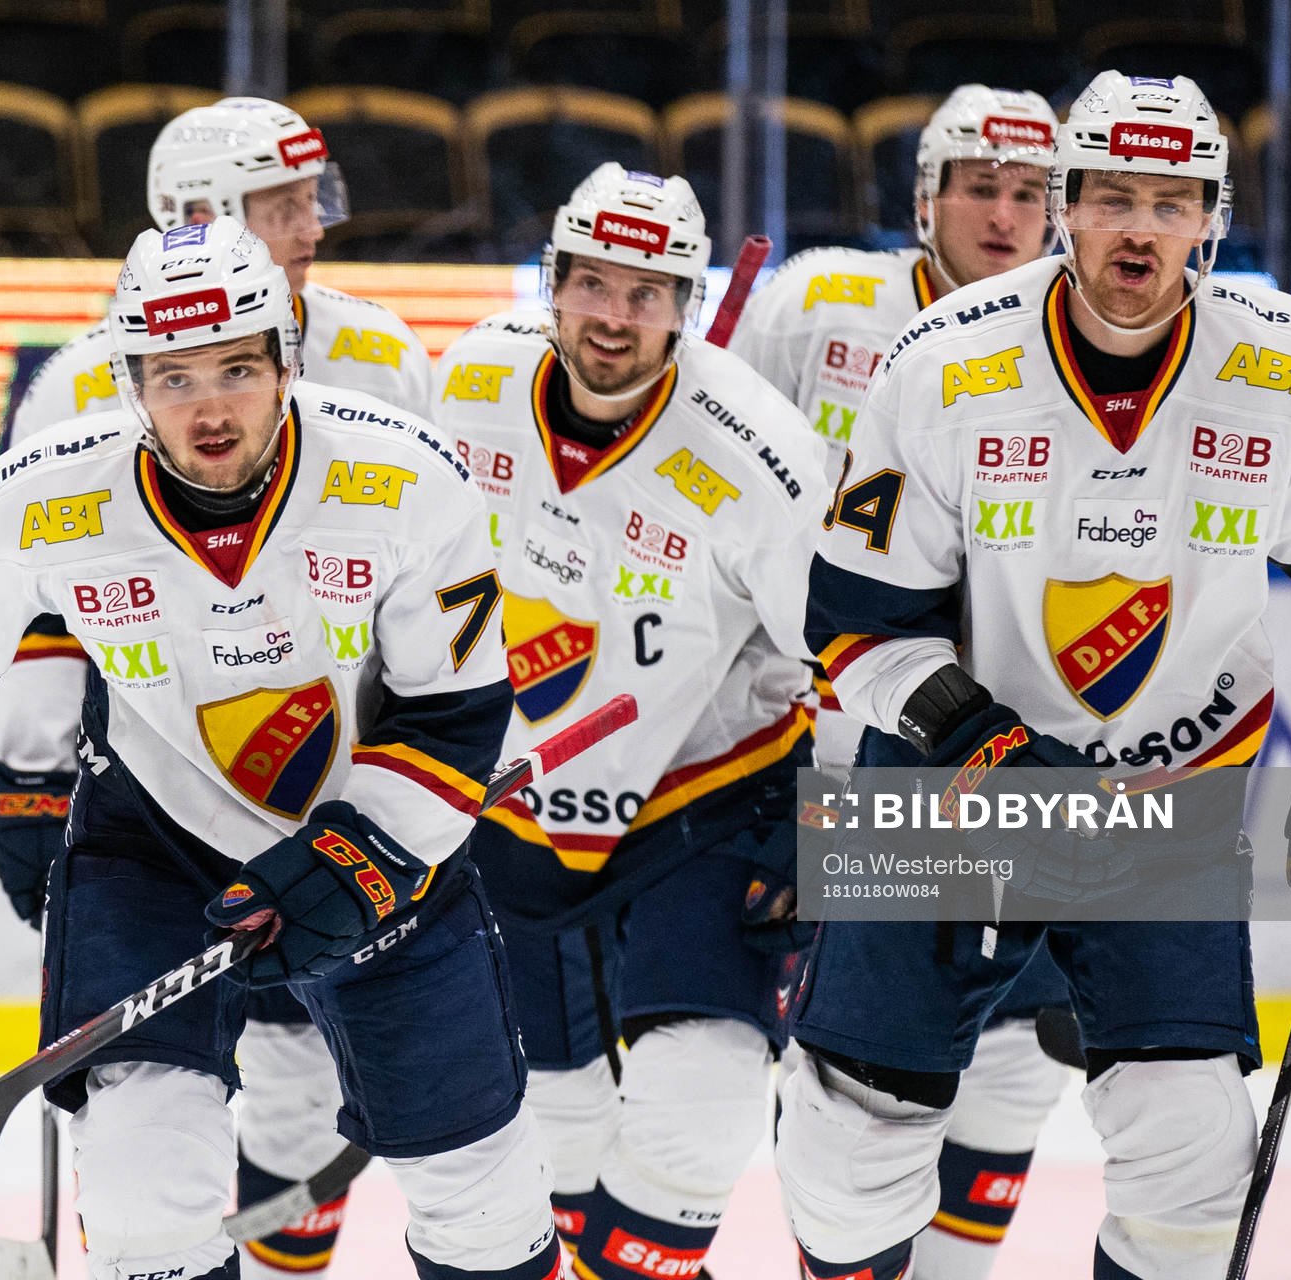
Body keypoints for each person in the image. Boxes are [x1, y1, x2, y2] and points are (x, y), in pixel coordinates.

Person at [0, 219, 564, 1280]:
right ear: (131, 383)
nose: (209, 409)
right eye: (175, 377)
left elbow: (454, 710)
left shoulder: (406, 479)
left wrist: (369, 850)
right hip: (154, 853)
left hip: (383, 849)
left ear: (285, 361)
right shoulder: (48, 498)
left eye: (237, 369)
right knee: (139, 1199)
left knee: (484, 1203)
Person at [784, 71, 1291, 1280]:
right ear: (1066, 206)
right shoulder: (945, 364)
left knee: (1194, 1157)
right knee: (846, 1144)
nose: (1141, 229)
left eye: (1172, 203)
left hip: (1165, 802)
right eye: (1114, 197)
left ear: (1211, 220)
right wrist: (976, 738)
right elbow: (856, 623)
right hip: (942, 789)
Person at [0, 96, 435, 1274]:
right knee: (146, 1117)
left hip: (341, 795)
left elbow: (447, 589)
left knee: (313, 1089)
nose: (315, 227)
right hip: (158, 799)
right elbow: (35, 608)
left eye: (312, 200)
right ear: (201, 213)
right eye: (286, 204)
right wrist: (30, 783)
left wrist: (436, 771)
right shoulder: (83, 385)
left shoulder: (388, 355)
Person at [430, 163, 829, 1278]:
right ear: (550, 282)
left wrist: (823, 831)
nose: (614, 314)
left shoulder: (762, 452)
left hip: (704, 798)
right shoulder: (470, 382)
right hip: (512, 806)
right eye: (592, 283)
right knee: (553, 1129)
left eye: (646, 291)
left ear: (686, 304)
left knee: (701, 1105)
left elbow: (857, 651)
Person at [727, 85, 1077, 1277]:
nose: (1003, 213)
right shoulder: (820, 304)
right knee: (849, 1081)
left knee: (1014, 1058)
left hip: (1006, 760)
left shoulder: (1086, 341)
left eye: (1027, 191)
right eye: (979, 186)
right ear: (926, 197)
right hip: (832, 748)